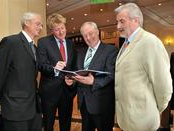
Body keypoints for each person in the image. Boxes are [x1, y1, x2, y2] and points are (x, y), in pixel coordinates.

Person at [114, 3, 173, 131]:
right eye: (117, 22)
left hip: (143, 122)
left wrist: (153, 109)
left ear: (135, 20)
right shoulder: (125, 44)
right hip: (126, 120)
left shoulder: (150, 42)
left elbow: (164, 85)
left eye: (122, 21)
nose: (118, 26)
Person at [0, 12, 43, 131]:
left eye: (41, 25)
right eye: (38, 24)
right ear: (26, 23)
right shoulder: (11, 42)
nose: (41, 28)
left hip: (34, 108)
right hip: (15, 108)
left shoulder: (34, 48)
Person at [66, 21, 118, 131]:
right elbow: (78, 73)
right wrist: (72, 81)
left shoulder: (111, 50)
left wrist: (93, 81)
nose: (88, 38)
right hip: (84, 104)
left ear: (97, 32)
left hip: (102, 105)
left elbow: (112, 75)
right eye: (85, 36)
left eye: (91, 33)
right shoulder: (80, 52)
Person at [37, 13, 76, 131]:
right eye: (57, 29)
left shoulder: (71, 43)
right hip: (49, 92)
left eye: (62, 28)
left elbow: (73, 66)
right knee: (48, 125)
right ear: (51, 30)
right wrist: (54, 68)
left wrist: (72, 78)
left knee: (66, 124)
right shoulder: (43, 42)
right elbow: (41, 65)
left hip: (67, 91)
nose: (61, 32)